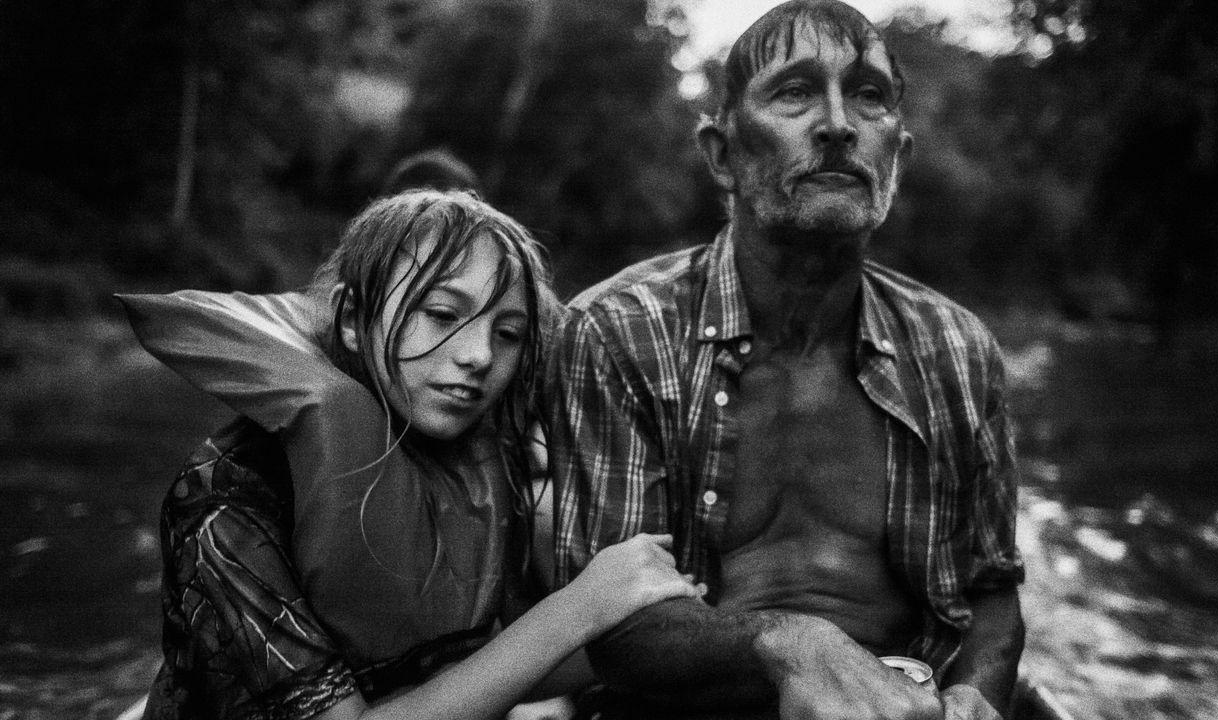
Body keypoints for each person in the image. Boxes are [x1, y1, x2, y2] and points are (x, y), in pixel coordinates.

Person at [547, 2, 1024, 719]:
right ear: (723, 156)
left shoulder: (960, 350)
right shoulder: (618, 334)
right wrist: (791, 646)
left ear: (897, 157)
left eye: (868, 96)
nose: (838, 124)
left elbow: (992, 592)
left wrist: (976, 695)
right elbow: (612, 625)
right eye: (795, 92)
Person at [119, 190, 701, 720]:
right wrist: (582, 606)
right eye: (442, 315)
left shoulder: (478, 462)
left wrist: (655, 624)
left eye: (508, 333)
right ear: (353, 320)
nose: (479, 355)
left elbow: (483, 669)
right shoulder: (229, 492)